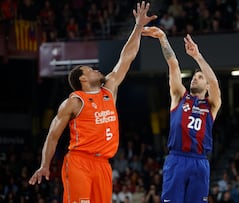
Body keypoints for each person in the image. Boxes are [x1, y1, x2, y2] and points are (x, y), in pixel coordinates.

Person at [28, 2, 157, 203]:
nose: (96, 70)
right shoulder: (74, 102)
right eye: (90, 70)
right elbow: (53, 136)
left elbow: (127, 57)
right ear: (83, 79)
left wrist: (138, 26)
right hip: (80, 161)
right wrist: (45, 165)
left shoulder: (109, 90)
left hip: (104, 164)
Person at [142, 26, 222, 203]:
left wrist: (197, 56)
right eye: (194, 76)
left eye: (200, 77)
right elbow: (173, 64)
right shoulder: (179, 96)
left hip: (200, 162)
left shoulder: (211, 105)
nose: (195, 78)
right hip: (177, 158)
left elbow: (214, 82)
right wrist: (163, 38)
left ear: (206, 85)